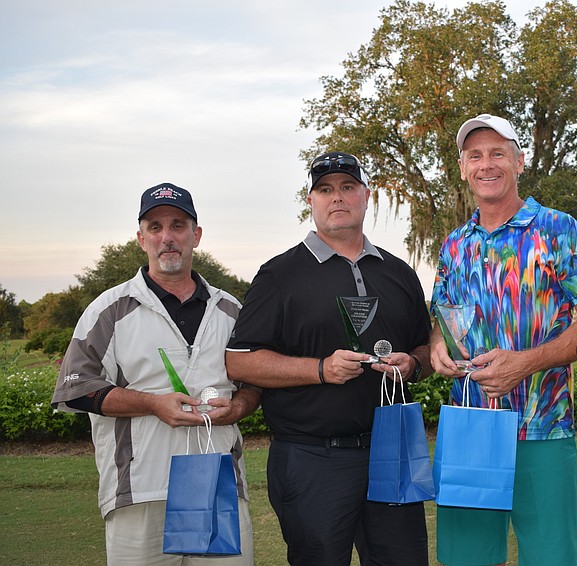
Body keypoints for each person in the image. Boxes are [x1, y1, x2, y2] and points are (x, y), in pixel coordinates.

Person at [225, 151, 433, 566]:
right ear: (311, 201)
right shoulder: (279, 274)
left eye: (347, 187)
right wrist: (319, 370)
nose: (337, 197)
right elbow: (240, 361)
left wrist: (412, 363)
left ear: (366, 196)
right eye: (325, 190)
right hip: (312, 457)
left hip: (390, 449)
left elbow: (424, 348)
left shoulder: (399, 272)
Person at [429, 114, 577, 566]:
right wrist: (436, 346)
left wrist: (524, 363)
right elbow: (440, 319)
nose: (486, 164)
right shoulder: (454, 244)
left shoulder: (559, 229)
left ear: (519, 161)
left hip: (543, 427)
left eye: (498, 153)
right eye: (475, 155)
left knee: (550, 557)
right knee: (466, 559)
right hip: (469, 427)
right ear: (461, 167)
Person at [51, 182, 260, 565]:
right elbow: (75, 388)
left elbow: (253, 384)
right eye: (155, 227)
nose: (168, 237)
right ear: (141, 238)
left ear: (196, 235)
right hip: (139, 490)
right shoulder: (109, 309)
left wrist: (240, 407)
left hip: (218, 484)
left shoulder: (232, 309)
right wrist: (152, 404)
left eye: (178, 225)